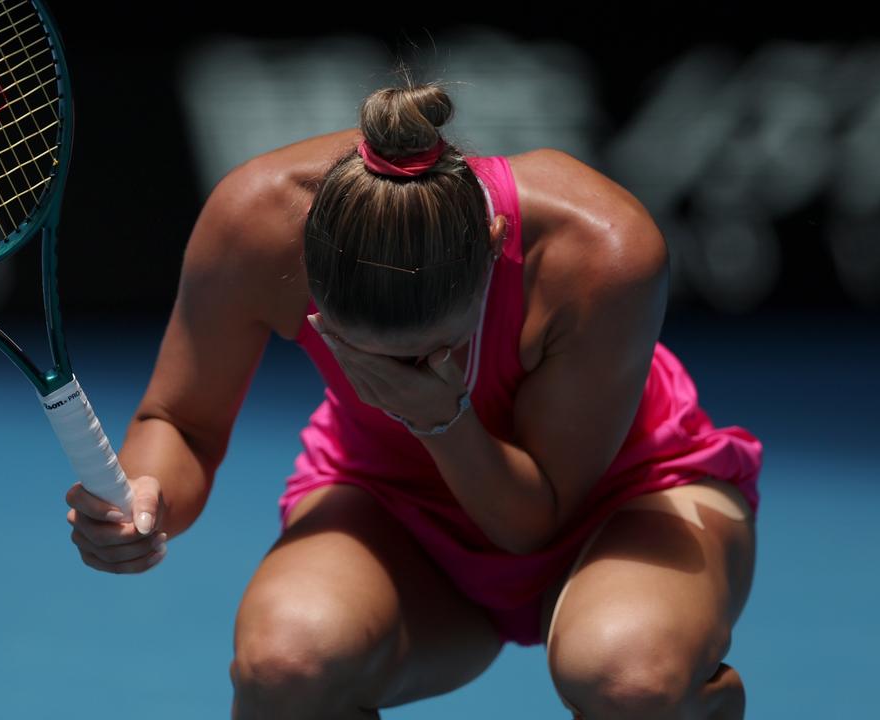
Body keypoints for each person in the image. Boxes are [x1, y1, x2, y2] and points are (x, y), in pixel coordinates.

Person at [64, 74, 762, 719]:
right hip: (389, 506)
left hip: (620, 498)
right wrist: (145, 502)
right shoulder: (256, 222)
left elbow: (531, 523)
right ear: (306, 267)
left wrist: (440, 416)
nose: (398, 370)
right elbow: (180, 421)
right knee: (285, 667)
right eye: (361, 350)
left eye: (433, 349)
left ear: (494, 247)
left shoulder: (603, 248)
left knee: (628, 680)